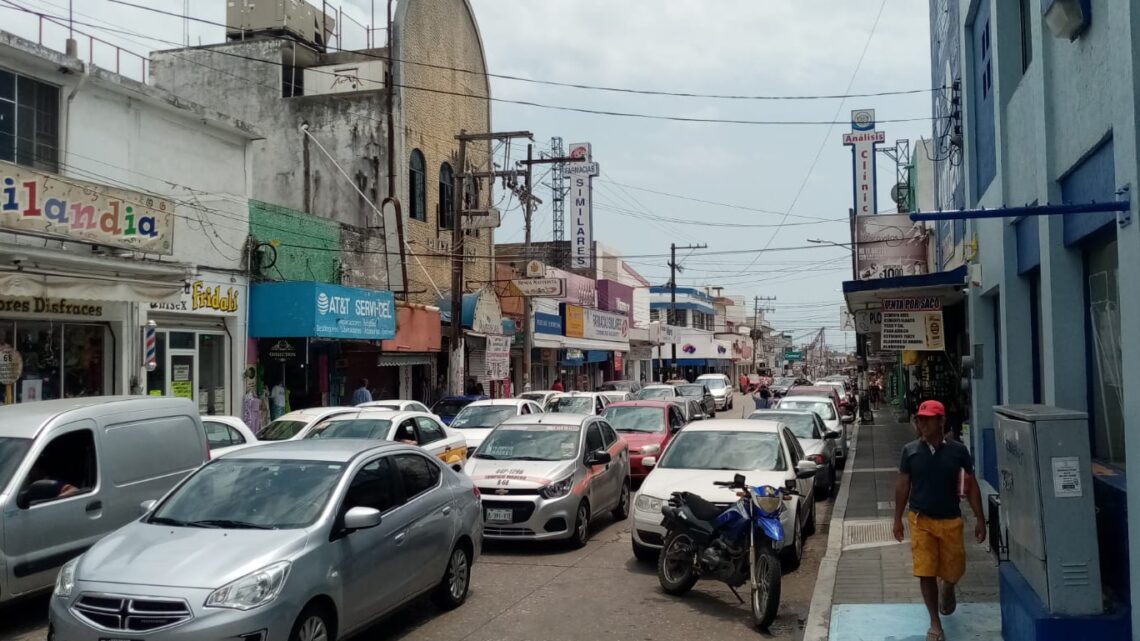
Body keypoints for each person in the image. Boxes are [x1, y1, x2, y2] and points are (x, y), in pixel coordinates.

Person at [892, 400, 986, 641]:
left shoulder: (958, 451)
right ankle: (935, 623)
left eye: (928, 419)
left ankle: (949, 585)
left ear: (941, 421)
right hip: (921, 519)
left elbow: (971, 485)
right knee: (926, 571)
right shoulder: (910, 451)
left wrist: (980, 518)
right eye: (920, 419)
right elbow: (903, 485)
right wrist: (897, 519)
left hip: (950, 519)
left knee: (954, 569)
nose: (922, 423)